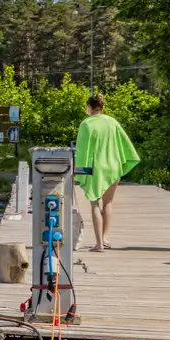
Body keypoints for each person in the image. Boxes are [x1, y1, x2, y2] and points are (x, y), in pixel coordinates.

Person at [72, 93, 139, 252]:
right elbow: (125, 144)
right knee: (108, 202)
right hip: (113, 166)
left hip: (97, 168)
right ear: (102, 107)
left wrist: (79, 171)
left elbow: (82, 150)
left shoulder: (86, 124)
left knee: (94, 202)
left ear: (89, 107)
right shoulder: (112, 122)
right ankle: (104, 238)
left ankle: (99, 245)